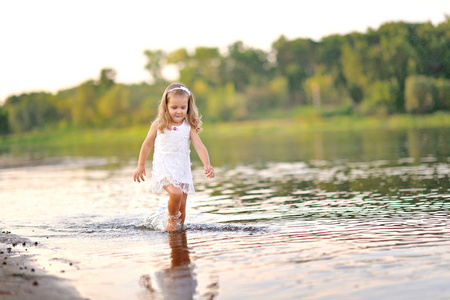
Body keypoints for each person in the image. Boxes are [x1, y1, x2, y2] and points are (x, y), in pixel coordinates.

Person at [133, 83, 215, 231]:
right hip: (164, 167)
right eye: (174, 107)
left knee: (182, 206)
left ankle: (179, 234)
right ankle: (170, 222)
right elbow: (147, 145)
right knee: (175, 194)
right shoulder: (159, 124)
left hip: (182, 169)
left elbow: (199, 146)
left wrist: (206, 164)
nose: (179, 111)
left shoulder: (188, 126)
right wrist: (140, 165)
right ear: (166, 106)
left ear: (188, 107)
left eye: (183, 107)